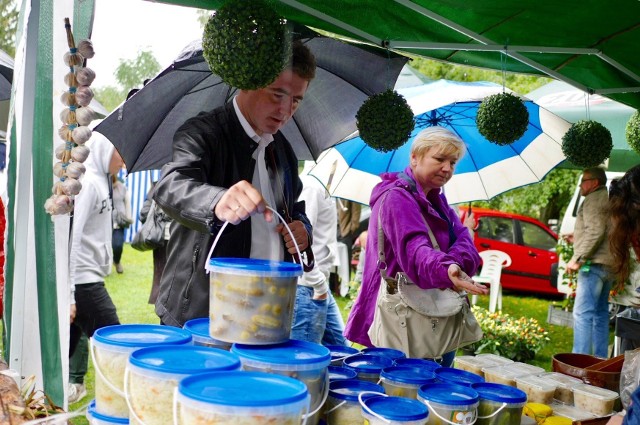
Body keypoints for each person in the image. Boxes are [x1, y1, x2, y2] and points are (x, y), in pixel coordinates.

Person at [152, 40, 315, 327]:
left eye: (296, 100)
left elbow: (294, 207)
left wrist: (303, 229)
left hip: (268, 309)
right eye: (278, 95)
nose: (287, 109)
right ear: (248, 81)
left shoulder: (284, 151)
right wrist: (217, 201)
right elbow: (171, 185)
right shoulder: (203, 133)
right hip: (203, 313)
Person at [344, 127, 488, 367]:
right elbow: (415, 250)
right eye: (440, 159)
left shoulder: (439, 200)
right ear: (414, 157)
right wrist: (447, 269)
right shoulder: (396, 198)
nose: (447, 168)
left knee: (434, 396)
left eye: (452, 162)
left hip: (436, 320)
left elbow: (464, 241)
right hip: (399, 320)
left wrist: (452, 264)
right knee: (401, 396)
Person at [68, 133, 124, 403]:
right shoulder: (88, 182)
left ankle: (51, 394)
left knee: (61, 351)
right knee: (116, 344)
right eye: (121, 154)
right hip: (83, 280)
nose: (124, 163)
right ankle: (115, 404)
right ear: (107, 149)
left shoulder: (103, 180)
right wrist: (68, 295)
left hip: (90, 276)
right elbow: (72, 237)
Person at [291, 161, 347, 346]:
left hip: (318, 284)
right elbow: (299, 243)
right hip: (308, 285)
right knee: (303, 361)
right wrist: (318, 284)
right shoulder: (312, 187)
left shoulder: (323, 187)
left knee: (342, 350)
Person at [566, 167, 615, 358]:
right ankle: (600, 360)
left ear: (594, 182)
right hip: (608, 264)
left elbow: (596, 231)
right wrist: (576, 236)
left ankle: (579, 361)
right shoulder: (607, 198)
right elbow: (600, 229)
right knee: (601, 315)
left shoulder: (593, 200)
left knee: (582, 314)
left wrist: (577, 258)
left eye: (583, 181)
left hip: (593, 265)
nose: (580, 185)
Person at [139, 182, 172, 304]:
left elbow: (143, 213)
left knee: (163, 279)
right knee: (162, 280)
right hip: (162, 241)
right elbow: (144, 213)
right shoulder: (157, 186)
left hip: (166, 241)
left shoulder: (157, 185)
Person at [111, 174, 133, 273]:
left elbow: (127, 203)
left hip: (119, 222)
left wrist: (128, 218)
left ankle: (117, 261)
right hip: (105, 222)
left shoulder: (121, 187)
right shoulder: (102, 186)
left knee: (118, 245)